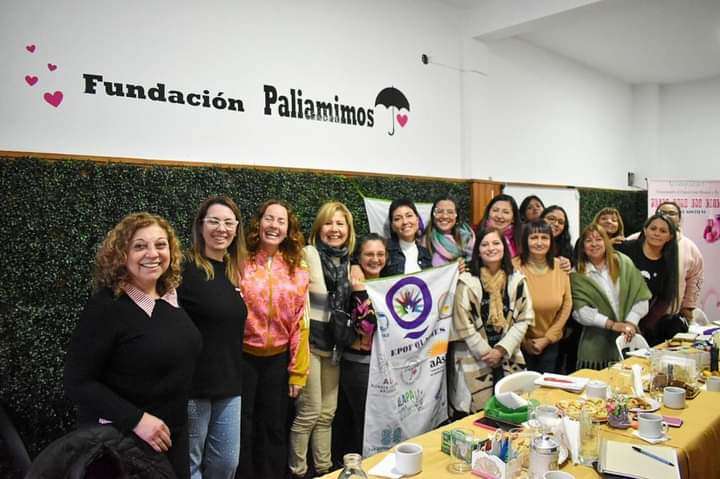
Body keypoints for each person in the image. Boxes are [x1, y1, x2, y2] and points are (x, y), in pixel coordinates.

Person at [64, 212, 202, 479]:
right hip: (122, 443)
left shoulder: (170, 298)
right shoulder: (107, 307)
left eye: (161, 245)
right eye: (140, 246)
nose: (153, 253)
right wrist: (137, 419)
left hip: (171, 437)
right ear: (121, 255)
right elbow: (77, 381)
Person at [237, 200, 310, 479]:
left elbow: (300, 324)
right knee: (244, 428)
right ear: (259, 223)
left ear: (288, 229)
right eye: (269, 219)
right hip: (243, 359)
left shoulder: (297, 269)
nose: (274, 226)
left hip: (277, 362)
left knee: (274, 428)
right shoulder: (240, 262)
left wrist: (298, 372)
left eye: (281, 221)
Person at [177, 197, 247, 479]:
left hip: (229, 384)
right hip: (194, 386)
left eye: (229, 222)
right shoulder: (183, 269)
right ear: (200, 226)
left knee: (226, 464)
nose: (222, 228)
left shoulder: (233, 271)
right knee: (191, 464)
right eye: (214, 221)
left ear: (236, 229)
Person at [289, 202, 356, 478]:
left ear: (348, 230)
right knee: (309, 413)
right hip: (310, 345)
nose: (334, 229)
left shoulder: (351, 261)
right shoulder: (309, 254)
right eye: (329, 223)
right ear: (319, 227)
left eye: (340, 224)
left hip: (336, 346)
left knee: (328, 413)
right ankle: (298, 471)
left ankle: (324, 470)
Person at [449, 227, 534, 414]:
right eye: (484, 244)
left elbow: (524, 319)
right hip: (475, 357)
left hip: (508, 355)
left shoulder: (517, 280)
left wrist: (501, 350)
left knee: (512, 409)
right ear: (477, 249)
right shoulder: (467, 281)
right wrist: (487, 353)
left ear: (504, 247)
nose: (491, 248)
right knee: (478, 415)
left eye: (496, 243)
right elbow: (462, 323)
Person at [333, 234, 387, 463]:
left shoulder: (388, 284)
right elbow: (365, 326)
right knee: (364, 424)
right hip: (358, 366)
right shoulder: (352, 285)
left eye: (380, 254)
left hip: (381, 365)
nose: (375, 259)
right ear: (359, 257)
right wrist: (359, 289)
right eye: (369, 254)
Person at [571, 224, 651, 370]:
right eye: (588, 241)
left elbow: (641, 296)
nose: (594, 244)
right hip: (596, 342)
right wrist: (612, 325)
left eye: (599, 239)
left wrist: (630, 323)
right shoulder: (577, 273)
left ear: (606, 242)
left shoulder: (623, 262)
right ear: (582, 247)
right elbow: (580, 311)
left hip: (629, 337)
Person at [627, 201, 704, 322]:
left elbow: (694, 279)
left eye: (672, 213)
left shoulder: (690, 248)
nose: (667, 215)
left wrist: (688, 307)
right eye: (662, 212)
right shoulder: (634, 240)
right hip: (632, 314)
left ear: (679, 219)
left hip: (668, 317)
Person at [514, 220, 572, 373]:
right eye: (533, 238)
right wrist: (523, 341)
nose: (539, 242)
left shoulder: (560, 266)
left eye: (544, 238)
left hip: (551, 341)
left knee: (546, 389)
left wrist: (547, 339)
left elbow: (567, 305)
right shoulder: (514, 267)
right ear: (525, 241)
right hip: (517, 341)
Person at [616, 213, 680, 346]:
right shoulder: (626, 248)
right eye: (653, 228)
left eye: (663, 231)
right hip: (613, 315)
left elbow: (664, 298)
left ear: (670, 237)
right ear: (645, 230)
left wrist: (644, 325)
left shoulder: (668, 263)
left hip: (641, 323)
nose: (657, 233)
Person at [381, 198, 432, 276]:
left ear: (417, 220)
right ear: (393, 226)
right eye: (398, 219)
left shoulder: (426, 254)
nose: (405, 222)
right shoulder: (384, 251)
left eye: (409, 216)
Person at [423, 195, 475, 271]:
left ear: (457, 216)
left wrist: (466, 266)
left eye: (450, 212)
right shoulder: (425, 242)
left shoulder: (469, 238)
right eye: (439, 211)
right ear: (433, 215)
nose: (445, 216)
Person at [540, 205, 573, 272]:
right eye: (551, 219)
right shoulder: (526, 240)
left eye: (561, 222)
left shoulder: (567, 249)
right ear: (541, 219)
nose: (556, 224)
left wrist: (567, 265)